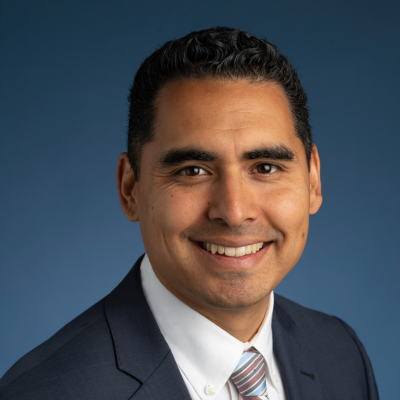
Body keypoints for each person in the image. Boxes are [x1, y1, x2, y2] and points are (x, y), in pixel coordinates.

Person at [0, 27, 379, 400]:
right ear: (130, 188)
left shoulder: (341, 353)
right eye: (193, 171)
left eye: (265, 167)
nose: (234, 212)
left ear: (313, 180)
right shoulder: (43, 391)